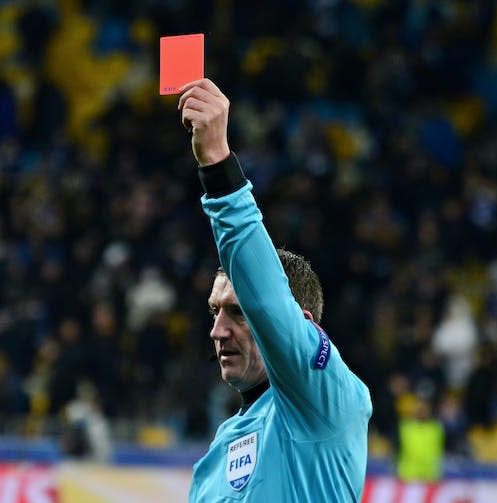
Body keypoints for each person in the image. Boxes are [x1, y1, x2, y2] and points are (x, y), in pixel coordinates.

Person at [178, 79, 372, 502]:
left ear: (302, 327)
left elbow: (267, 297)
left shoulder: (324, 403)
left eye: (239, 312)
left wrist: (217, 165)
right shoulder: (216, 455)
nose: (217, 331)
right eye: (215, 312)